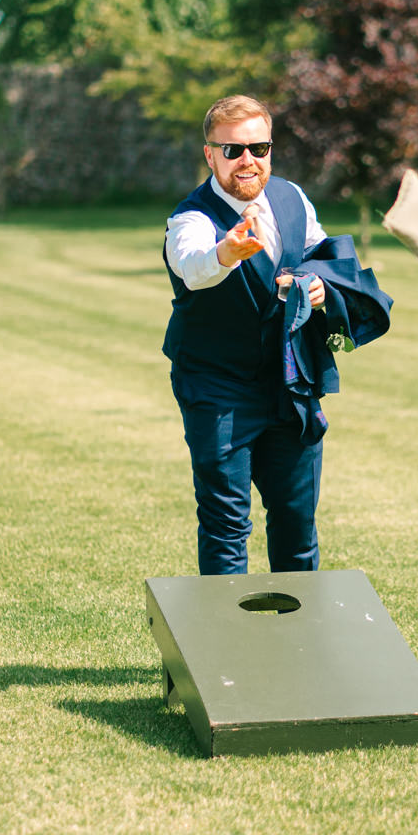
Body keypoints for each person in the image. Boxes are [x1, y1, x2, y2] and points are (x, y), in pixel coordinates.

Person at [162, 95, 338, 575]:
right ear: (209, 154)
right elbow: (194, 267)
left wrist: (318, 284)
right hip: (217, 386)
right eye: (233, 150)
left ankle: (297, 642)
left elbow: (316, 251)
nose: (248, 161)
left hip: (288, 381)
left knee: (297, 522)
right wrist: (226, 252)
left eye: (258, 148)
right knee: (225, 524)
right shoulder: (192, 219)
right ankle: (225, 650)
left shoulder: (291, 197)